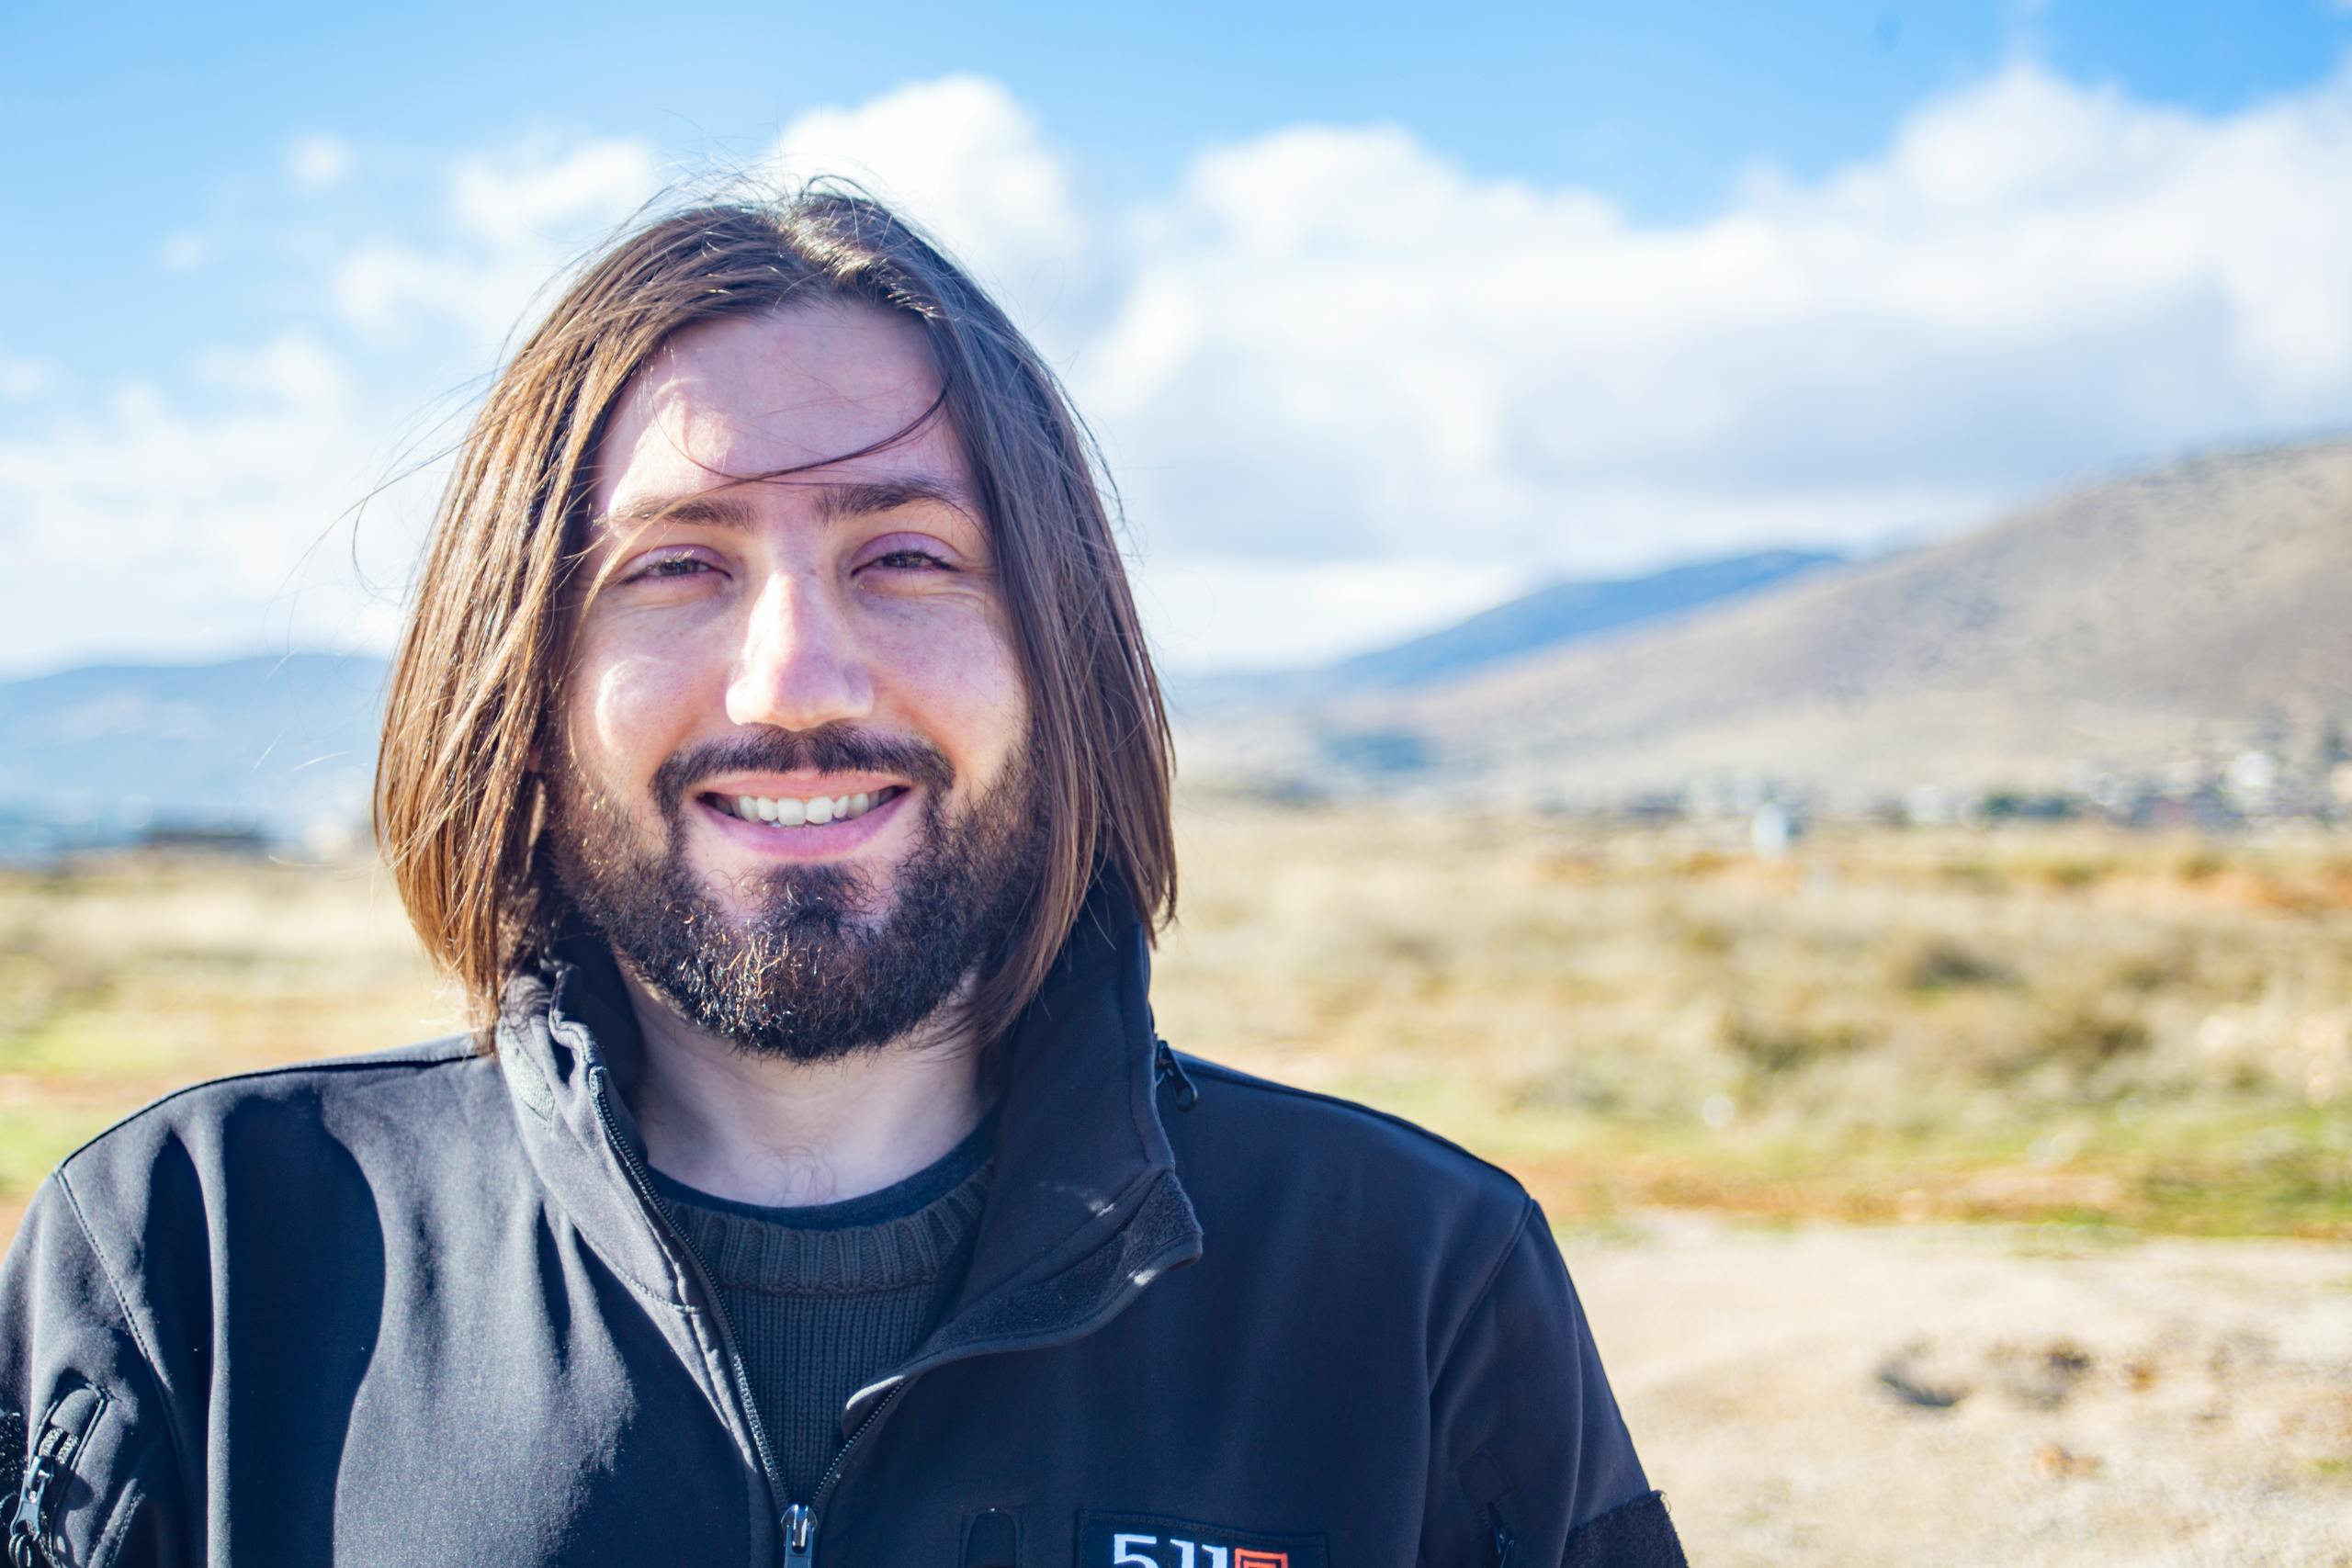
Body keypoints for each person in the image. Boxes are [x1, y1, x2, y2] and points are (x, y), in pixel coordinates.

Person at [0, 191, 1686, 1567]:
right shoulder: (201, 1263)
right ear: (521, 669)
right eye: (679, 565)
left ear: (1061, 655)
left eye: (907, 557)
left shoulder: (1413, 1289)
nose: (795, 679)